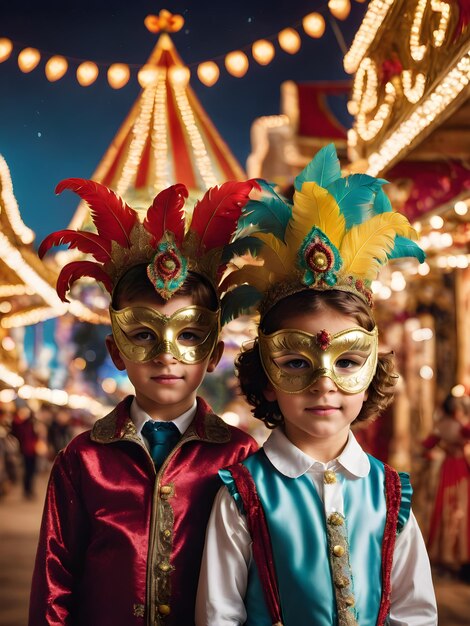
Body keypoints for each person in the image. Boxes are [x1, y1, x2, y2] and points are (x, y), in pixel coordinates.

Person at [196, 144, 437, 625]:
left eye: (347, 361)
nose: (323, 384)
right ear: (266, 379)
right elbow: (219, 617)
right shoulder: (242, 495)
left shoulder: (391, 494)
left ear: (369, 378)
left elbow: (414, 613)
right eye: (295, 362)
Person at [29, 178, 259, 626]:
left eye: (189, 335)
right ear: (116, 350)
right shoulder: (82, 460)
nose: (166, 354)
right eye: (142, 335)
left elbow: (256, 590)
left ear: (213, 352)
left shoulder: (241, 458)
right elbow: (54, 585)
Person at [423, 392, 470, 581]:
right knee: (461, 508)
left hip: (447, 468)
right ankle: (459, 556)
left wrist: (442, 448)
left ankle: (444, 555)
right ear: (456, 410)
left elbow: (426, 444)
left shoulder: (441, 427)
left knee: (445, 508)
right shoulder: (461, 426)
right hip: (460, 469)